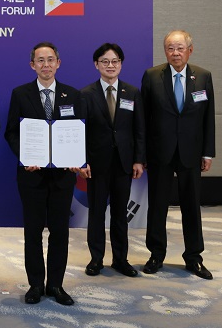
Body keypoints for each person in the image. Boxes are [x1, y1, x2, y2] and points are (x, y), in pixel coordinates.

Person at [4, 42, 82, 306]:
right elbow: (11, 132)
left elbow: (79, 132)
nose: (46, 65)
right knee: (33, 231)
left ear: (58, 63)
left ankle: (56, 285)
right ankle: (36, 284)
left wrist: (76, 158)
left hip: (63, 176)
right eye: (40, 60)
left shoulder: (73, 95)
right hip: (31, 175)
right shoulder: (20, 94)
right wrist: (25, 155)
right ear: (32, 65)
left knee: (60, 231)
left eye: (50, 60)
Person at [141, 30, 215, 279]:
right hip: (159, 152)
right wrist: (142, 155)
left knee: (191, 206)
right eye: (170, 48)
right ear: (165, 51)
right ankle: (156, 255)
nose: (175, 53)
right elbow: (143, 119)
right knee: (157, 206)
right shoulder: (152, 76)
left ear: (190, 50)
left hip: (191, 152)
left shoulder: (203, 76)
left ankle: (194, 257)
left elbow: (208, 118)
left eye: (180, 48)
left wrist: (208, 153)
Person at [77, 43, 145, 278]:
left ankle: (120, 259)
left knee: (119, 214)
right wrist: (83, 161)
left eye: (115, 61)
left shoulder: (132, 93)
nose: (110, 65)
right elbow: (80, 132)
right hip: (96, 165)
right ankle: (96, 259)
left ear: (121, 64)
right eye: (105, 61)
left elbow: (139, 130)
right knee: (96, 213)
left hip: (124, 164)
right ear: (96, 65)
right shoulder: (86, 94)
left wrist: (139, 160)